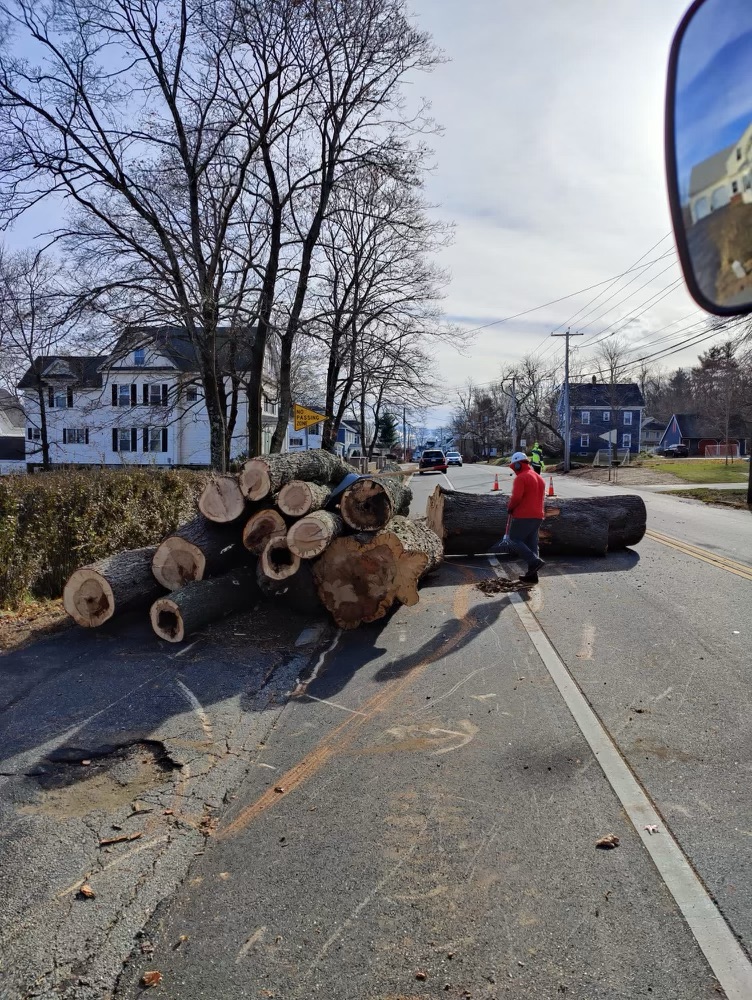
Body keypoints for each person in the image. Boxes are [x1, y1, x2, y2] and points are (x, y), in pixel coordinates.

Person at [504, 451, 545, 583]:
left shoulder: (521, 478)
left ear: (517, 465)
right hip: (538, 515)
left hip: (524, 515)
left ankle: (534, 561)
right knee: (532, 544)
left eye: (513, 466)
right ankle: (532, 575)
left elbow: (516, 497)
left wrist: (510, 507)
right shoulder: (538, 477)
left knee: (513, 540)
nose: (513, 469)